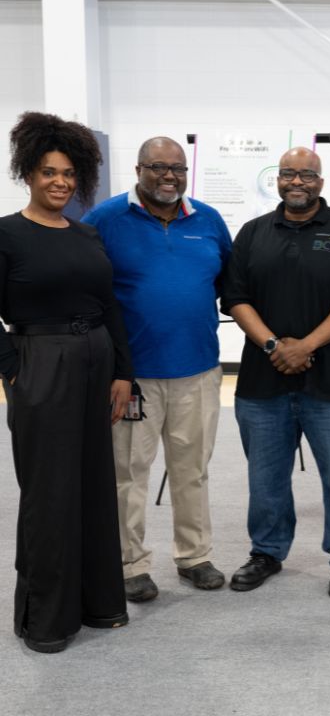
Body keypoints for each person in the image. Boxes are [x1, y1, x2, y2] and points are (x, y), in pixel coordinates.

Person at [0, 112, 133, 653]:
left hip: (96, 358)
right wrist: (13, 366)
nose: (60, 182)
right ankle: (47, 619)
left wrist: (123, 371)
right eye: (49, 172)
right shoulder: (7, 233)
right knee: (49, 492)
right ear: (28, 173)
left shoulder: (88, 234)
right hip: (42, 361)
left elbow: (110, 305)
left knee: (95, 484)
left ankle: (100, 603)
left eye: (69, 173)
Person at [221, 146, 330, 599]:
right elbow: (234, 297)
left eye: (307, 175)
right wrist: (274, 345)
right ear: (277, 180)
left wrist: (305, 346)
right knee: (266, 479)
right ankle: (266, 551)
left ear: (320, 183)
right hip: (262, 382)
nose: (297, 182)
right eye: (288, 174)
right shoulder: (252, 234)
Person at [84, 136, 232, 603]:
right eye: (158, 167)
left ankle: (194, 556)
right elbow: (85, 284)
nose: (169, 176)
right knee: (129, 473)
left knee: (193, 470)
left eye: (178, 169)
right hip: (133, 378)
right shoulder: (105, 219)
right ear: (138, 169)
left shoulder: (207, 220)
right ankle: (131, 564)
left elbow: (231, 283)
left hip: (199, 372)